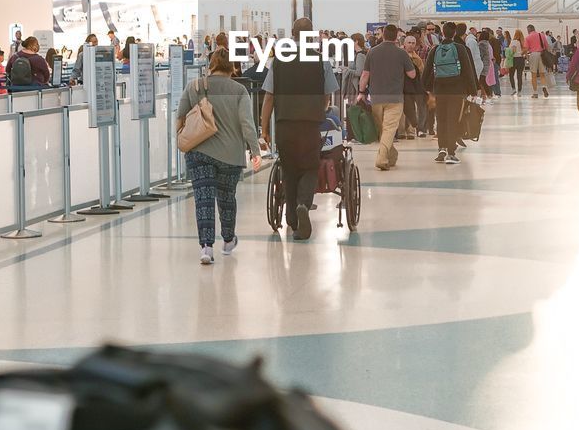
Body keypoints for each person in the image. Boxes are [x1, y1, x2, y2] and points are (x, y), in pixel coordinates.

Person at [177, 48, 260, 265]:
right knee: (226, 198)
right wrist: (256, 151)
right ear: (233, 67)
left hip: (199, 151)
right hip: (230, 156)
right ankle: (228, 239)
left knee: (203, 199)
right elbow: (247, 124)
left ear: (211, 65)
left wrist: (181, 140)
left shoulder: (194, 87)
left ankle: (206, 247)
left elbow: (179, 119)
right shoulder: (240, 90)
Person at [259, 17, 339, 240]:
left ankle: (292, 219)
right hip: (310, 123)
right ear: (311, 34)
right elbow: (327, 94)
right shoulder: (320, 61)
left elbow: (268, 98)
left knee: (290, 168)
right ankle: (303, 205)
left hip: (285, 122)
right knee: (309, 167)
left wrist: (263, 128)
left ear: (292, 34)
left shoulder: (278, 62)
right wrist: (319, 110)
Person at [358, 23, 417, 171]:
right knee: (389, 129)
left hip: (376, 97)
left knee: (382, 130)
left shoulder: (372, 52)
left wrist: (361, 92)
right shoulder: (401, 53)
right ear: (397, 36)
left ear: (383, 34)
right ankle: (381, 158)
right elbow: (412, 74)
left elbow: (365, 75)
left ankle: (392, 156)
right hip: (395, 98)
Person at [423, 21, 479, 164]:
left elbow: (427, 72)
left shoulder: (435, 50)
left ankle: (441, 148)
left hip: (440, 90)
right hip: (457, 91)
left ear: (442, 33)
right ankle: (451, 153)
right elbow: (467, 70)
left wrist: (427, 88)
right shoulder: (460, 49)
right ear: (454, 33)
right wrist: (473, 90)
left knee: (441, 120)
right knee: (453, 120)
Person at [402, 32, 429, 138]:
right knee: (409, 109)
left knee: (421, 108)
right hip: (405, 87)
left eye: (413, 43)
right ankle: (409, 131)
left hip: (417, 87)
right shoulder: (401, 56)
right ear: (404, 44)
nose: (411, 45)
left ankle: (421, 129)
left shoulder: (417, 58)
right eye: (409, 42)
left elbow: (422, 72)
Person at [524, 24, 551, 98]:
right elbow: (547, 46)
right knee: (542, 74)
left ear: (528, 30)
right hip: (542, 54)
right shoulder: (541, 35)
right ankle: (544, 87)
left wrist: (527, 57)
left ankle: (535, 93)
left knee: (534, 75)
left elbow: (526, 49)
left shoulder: (528, 37)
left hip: (533, 55)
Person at [508, 29, 526, 96]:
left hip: (513, 59)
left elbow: (512, 50)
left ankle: (513, 89)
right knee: (519, 76)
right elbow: (525, 50)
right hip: (521, 60)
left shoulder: (514, 41)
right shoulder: (523, 42)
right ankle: (519, 91)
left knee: (511, 75)